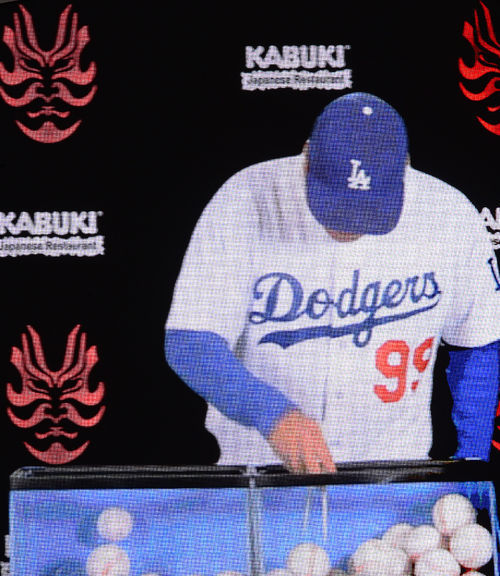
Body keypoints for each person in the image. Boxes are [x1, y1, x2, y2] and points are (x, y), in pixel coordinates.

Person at [165, 92, 500, 474]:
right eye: (337, 204)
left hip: (391, 480)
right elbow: (189, 342)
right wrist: (272, 414)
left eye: (367, 210)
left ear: (405, 170)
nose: (348, 224)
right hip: (259, 476)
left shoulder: (449, 215)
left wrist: (471, 462)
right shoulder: (245, 198)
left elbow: (479, 341)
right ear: (306, 157)